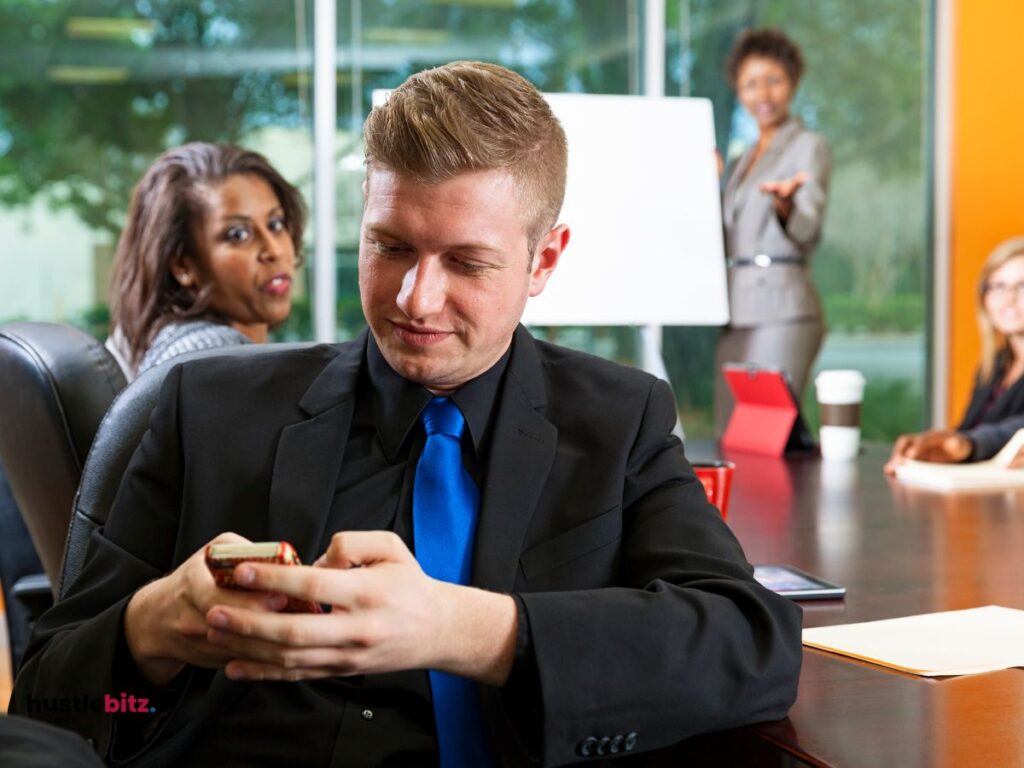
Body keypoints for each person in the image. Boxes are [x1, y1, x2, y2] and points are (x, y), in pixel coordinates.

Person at [12, 61, 802, 767]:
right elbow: (55, 701)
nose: (414, 300)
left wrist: (462, 629)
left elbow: (752, 647)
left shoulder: (621, 417)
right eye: (389, 247)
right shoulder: (205, 408)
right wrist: (153, 629)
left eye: (465, 262)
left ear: (545, 261)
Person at [714, 28, 832, 434]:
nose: (762, 94)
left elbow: (808, 228)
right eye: (750, 84)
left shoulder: (808, 145)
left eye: (774, 80)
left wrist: (785, 208)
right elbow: (729, 229)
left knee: (764, 435)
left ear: (794, 82)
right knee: (731, 435)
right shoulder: (742, 159)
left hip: (783, 305)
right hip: (735, 306)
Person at [105, 142, 305, 380]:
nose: (274, 250)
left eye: (276, 224)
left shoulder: (166, 343)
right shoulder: (214, 356)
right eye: (238, 235)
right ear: (184, 266)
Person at [885, 237, 1024, 474]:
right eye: (999, 286)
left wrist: (968, 444)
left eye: (1022, 286)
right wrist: (935, 446)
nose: (1009, 298)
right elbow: (967, 430)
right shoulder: (993, 367)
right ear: (984, 297)